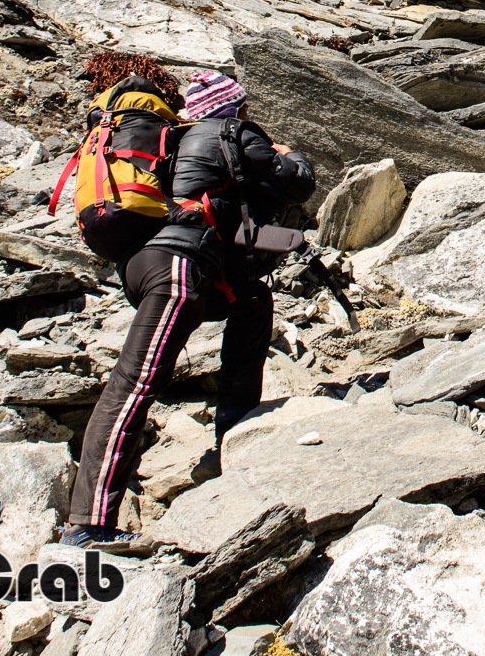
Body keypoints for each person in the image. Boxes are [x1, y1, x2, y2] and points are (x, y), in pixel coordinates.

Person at [61, 70, 315, 550]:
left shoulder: (177, 145)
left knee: (253, 300)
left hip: (150, 264)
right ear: (234, 108)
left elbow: (225, 223)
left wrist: (288, 243)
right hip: (177, 268)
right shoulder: (230, 132)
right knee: (135, 383)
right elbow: (299, 182)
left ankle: (237, 428)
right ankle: (87, 524)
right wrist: (287, 154)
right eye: (243, 106)